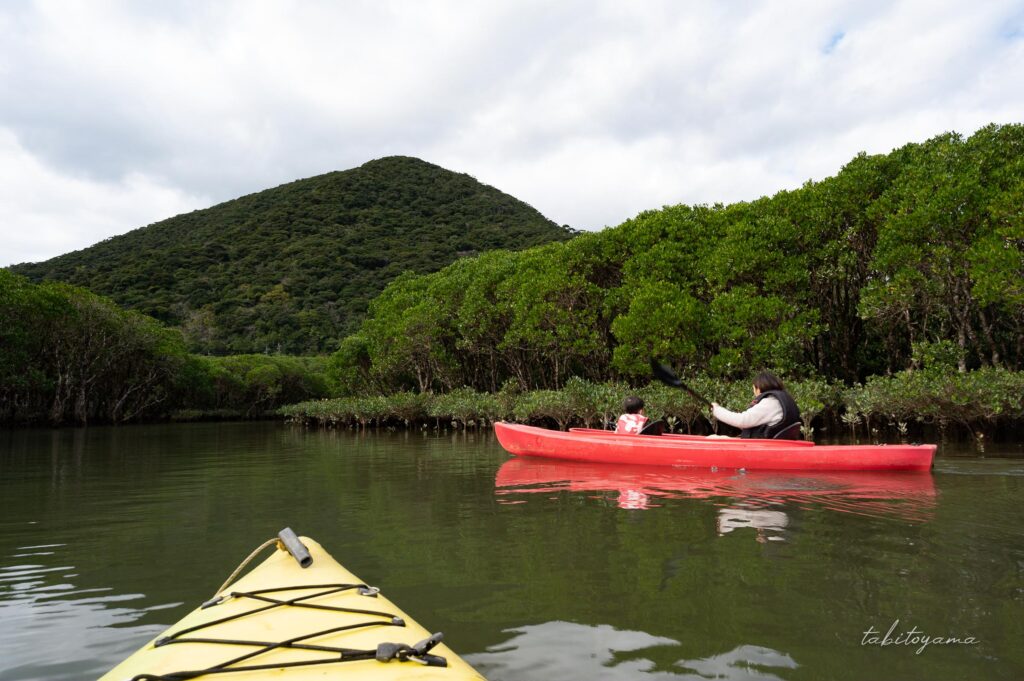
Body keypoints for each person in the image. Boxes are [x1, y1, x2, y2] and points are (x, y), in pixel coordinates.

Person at [710, 371, 803, 440]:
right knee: (717, 437)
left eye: (754, 388)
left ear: (758, 388)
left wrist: (716, 410)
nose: (754, 392)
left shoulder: (770, 402)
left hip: (764, 447)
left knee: (712, 439)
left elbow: (742, 421)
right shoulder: (782, 399)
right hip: (772, 444)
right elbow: (749, 425)